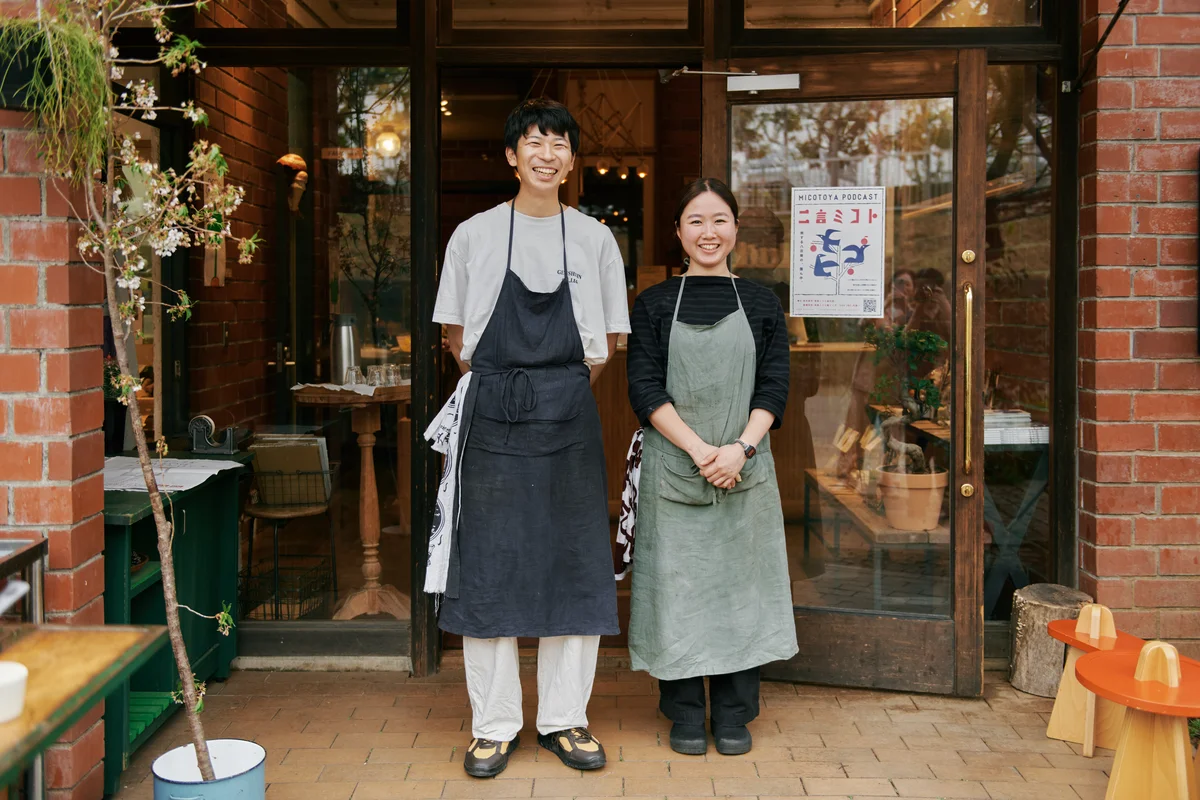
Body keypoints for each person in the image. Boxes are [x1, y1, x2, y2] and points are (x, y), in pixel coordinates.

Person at [431, 99, 630, 778]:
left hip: (569, 413)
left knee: (573, 563)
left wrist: (554, 388)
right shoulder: (474, 234)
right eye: (534, 142)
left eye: (559, 144)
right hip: (492, 413)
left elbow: (607, 343)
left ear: (572, 160)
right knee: (490, 563)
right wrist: (514, 385)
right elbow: (457, 338)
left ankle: (564, 720)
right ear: (512, 155)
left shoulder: (597, 238)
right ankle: (493, 726)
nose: (547, 154)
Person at [625, 178, 798, 757]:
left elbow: (775, 386)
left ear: (735, 231)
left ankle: (733, 712)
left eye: (719, 220)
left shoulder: (762, 301)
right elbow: (644, 388)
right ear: (678, 233)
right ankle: (682, 711)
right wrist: (702, 452)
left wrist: (740, 450)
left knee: (740, 592)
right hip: (677, 467)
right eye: (695, 221)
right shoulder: (651, 304)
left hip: (744, 467)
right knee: (674, 590)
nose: (708, 232)